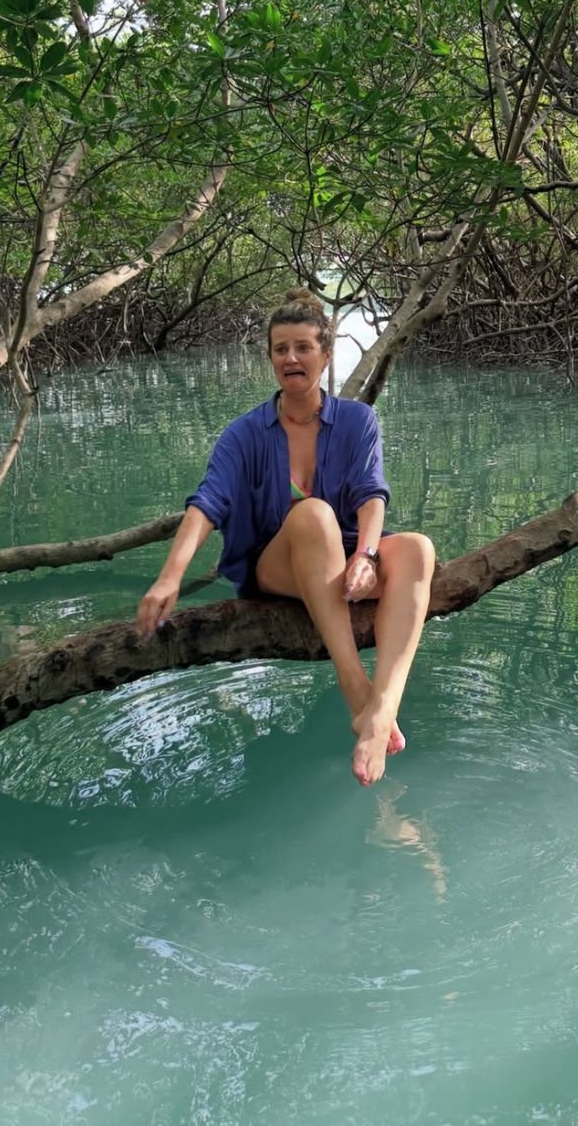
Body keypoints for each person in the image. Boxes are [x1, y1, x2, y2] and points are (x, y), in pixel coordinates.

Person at [136, 289, 436, 787]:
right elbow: (207, 503)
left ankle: (381, 710)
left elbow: (371, 495)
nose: (291, 358)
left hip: (340, 559)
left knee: (419, 549)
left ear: (325, 354)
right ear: (271, 358)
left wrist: (365, 555)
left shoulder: (358, 421)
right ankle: (355, 690)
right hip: (275, 566)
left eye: (302, 347)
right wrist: (170, 577)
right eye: (280, 349)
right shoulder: (244, 434)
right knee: (314, 514)